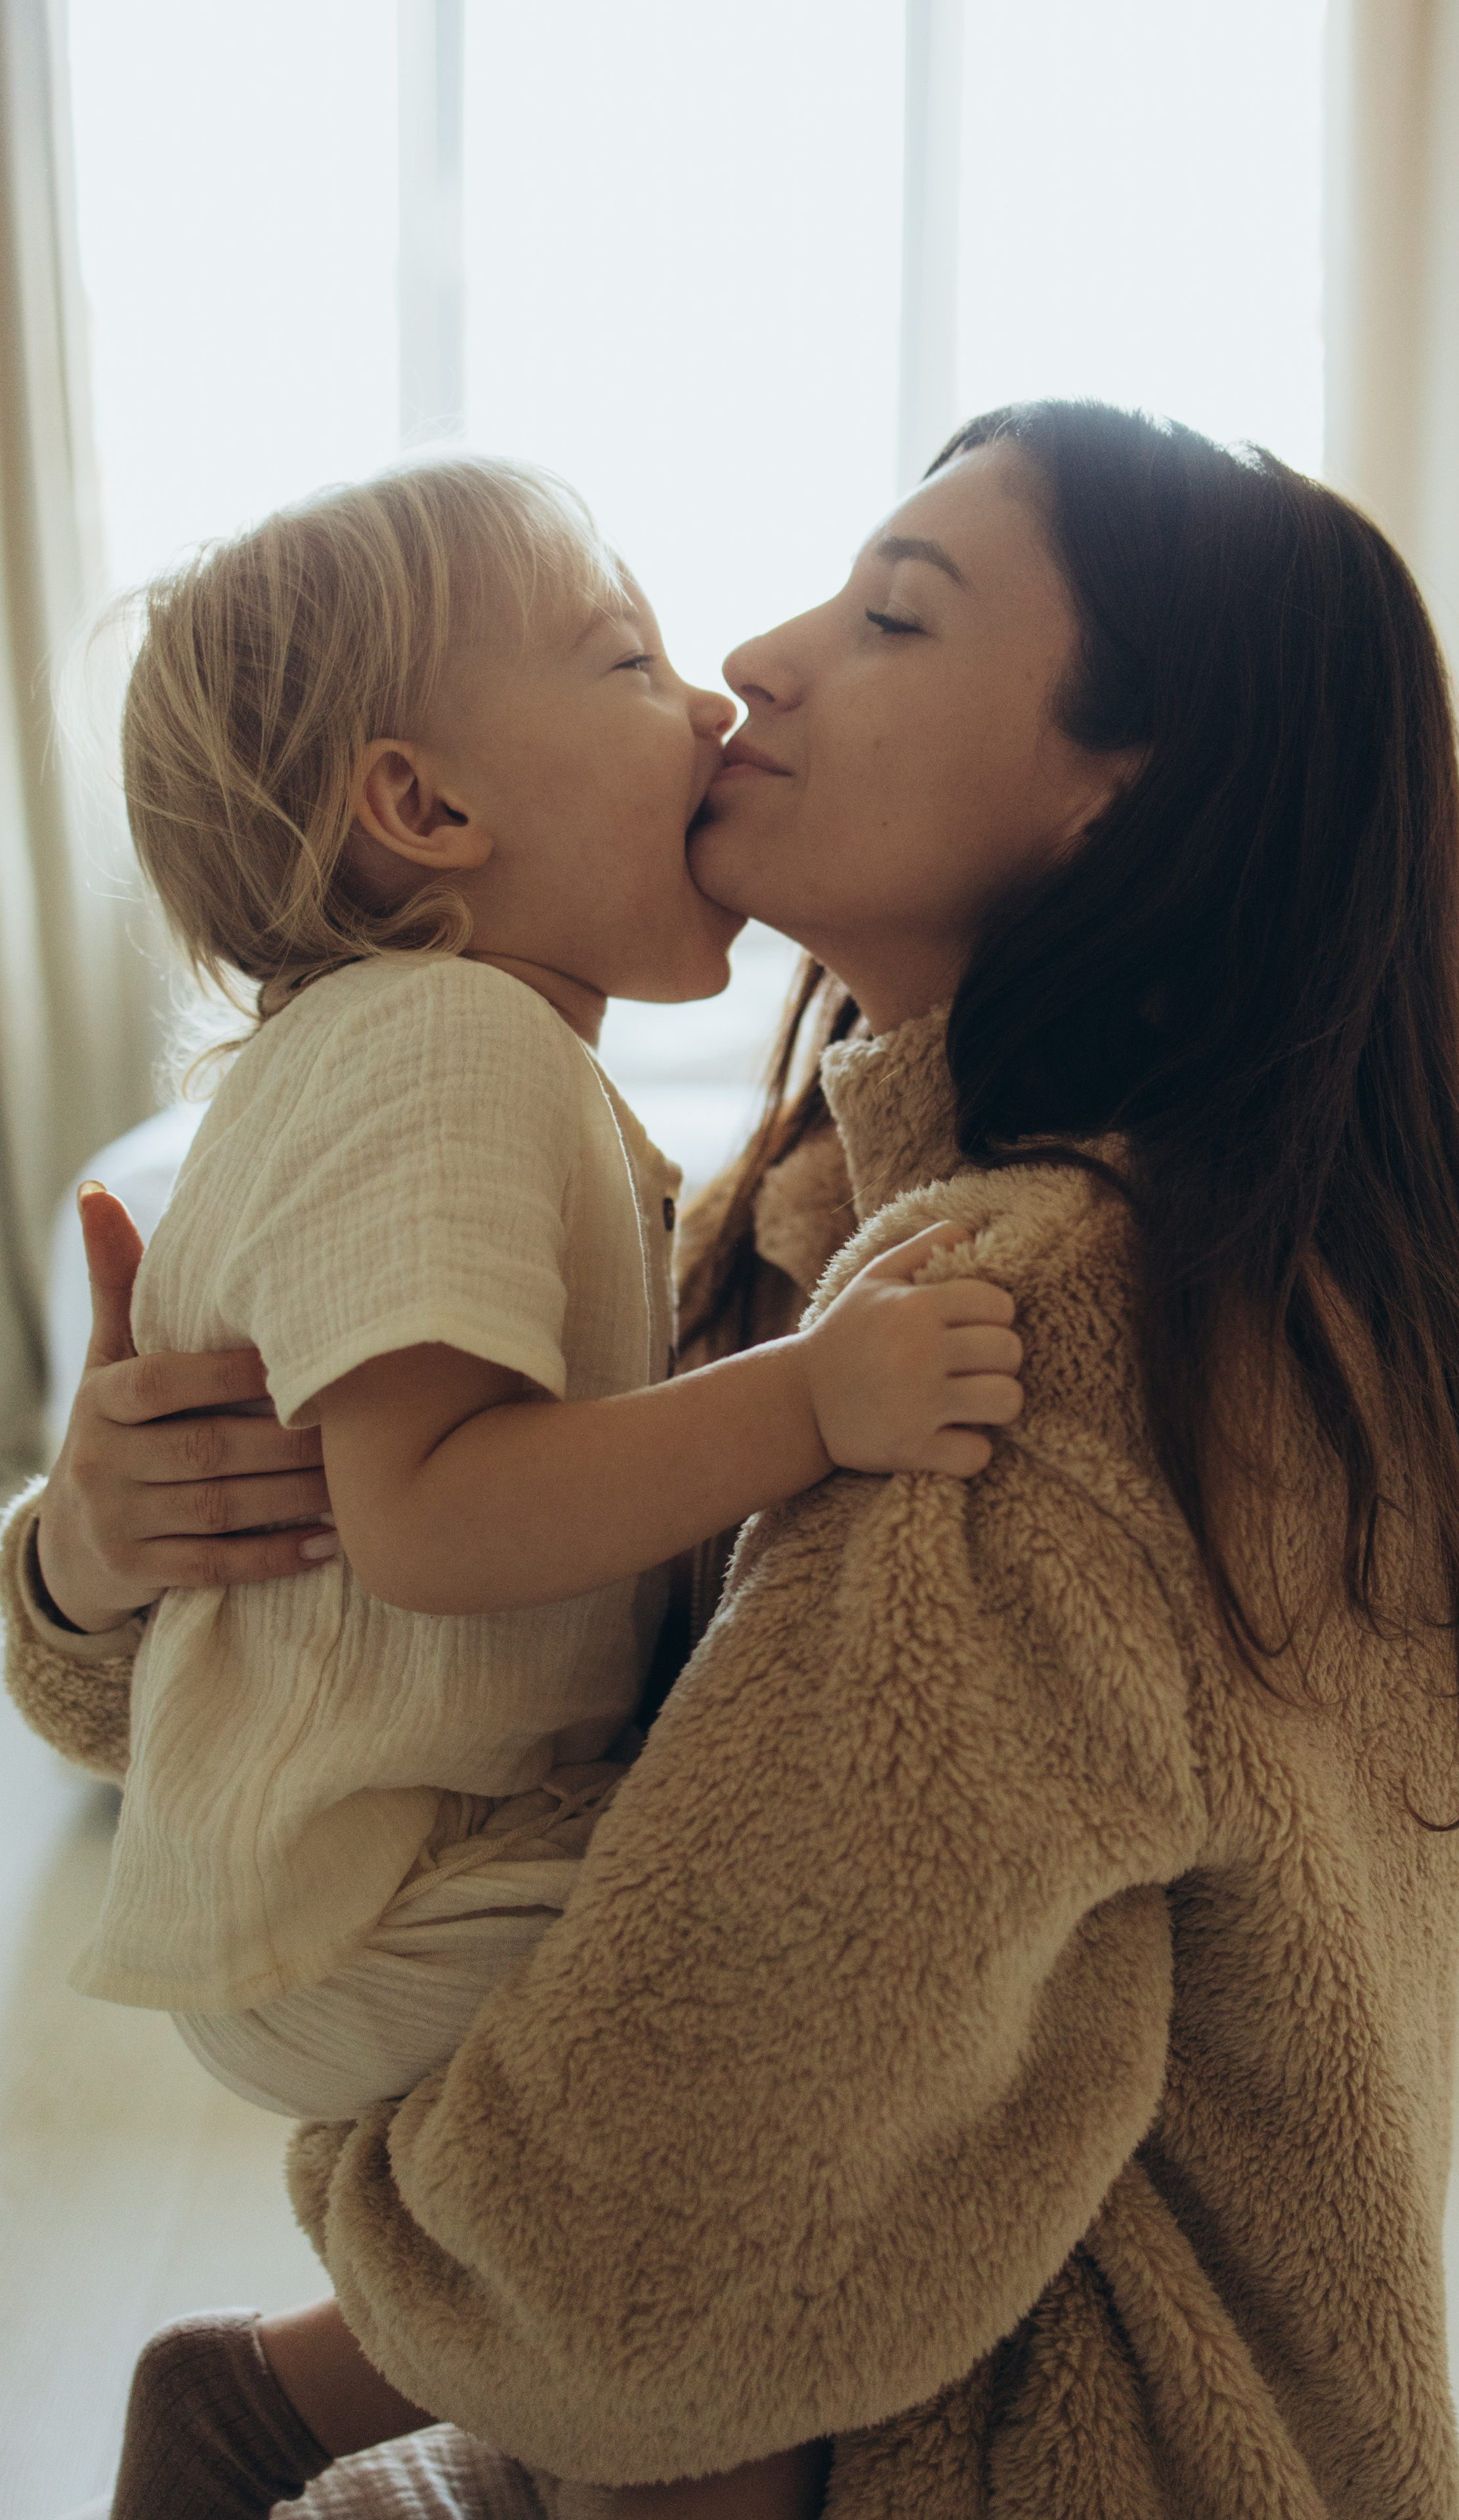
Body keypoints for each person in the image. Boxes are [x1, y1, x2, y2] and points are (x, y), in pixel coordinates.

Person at [5, 402, 1459, 2520]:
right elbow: (376, 1640)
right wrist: (93, 1554)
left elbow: (659, 2241)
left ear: (1121, 800)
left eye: (893, 616)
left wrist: (324, 2348)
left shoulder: (1036, 1331)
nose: (755, 660)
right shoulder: (796, 1221)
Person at [18, 455, 1023, 2520]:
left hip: (365, 1865)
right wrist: (812, 1398)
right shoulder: (453, 1050)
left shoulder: (440, 1054)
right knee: (784, 2091)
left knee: (715, 2260)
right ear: (427, 811)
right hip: (395, 1881)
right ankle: (346, 2416)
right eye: (633, 657)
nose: (720, 699)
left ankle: (303, 2408)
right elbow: (430, 1516)